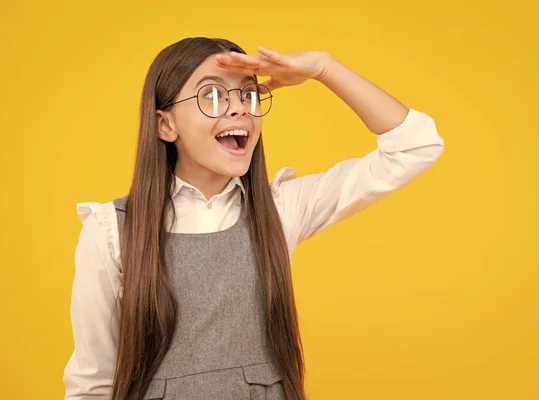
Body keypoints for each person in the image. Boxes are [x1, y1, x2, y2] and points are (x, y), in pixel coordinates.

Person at [63, 37, 445, 400]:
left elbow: (415, 147)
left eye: (248, 94)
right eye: (211, 95)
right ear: (166, 125)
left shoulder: (279, 210)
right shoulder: (110, 231)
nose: (238, 108)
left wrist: (324, 68)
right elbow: (93, 384)